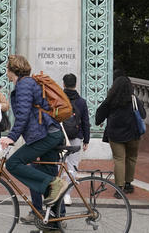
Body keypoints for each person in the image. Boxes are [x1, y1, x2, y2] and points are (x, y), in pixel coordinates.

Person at [0, 55, 66, 218]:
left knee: (13, 164)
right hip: (48, 134)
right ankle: (55, 221)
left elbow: (23, 114)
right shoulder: (27, 83)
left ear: (13, 70)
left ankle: (53, 184)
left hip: (46, 135)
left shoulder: (24, 84)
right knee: (49, 175)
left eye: (7, 68)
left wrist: (11, 137)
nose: (6, 72)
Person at [95, 74, 146, 196]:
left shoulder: (111, 100)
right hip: (133, 134)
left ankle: (119, 188)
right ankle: (128, 184)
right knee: (131, 158)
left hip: (115, 134)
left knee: (119, 159)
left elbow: (99, 115)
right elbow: (143, 115)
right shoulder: (134, 99)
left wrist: (100, 121)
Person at [61, 73, 90, 204]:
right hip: (76, 136)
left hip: (61, 136)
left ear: (64, 84)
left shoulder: (59, 99)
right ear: (75, 84)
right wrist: (86, 140)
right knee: (72, 167)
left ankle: (58, 193)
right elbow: (85, 122)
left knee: (59, 165)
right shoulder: (81, 102)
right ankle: (67, 195)